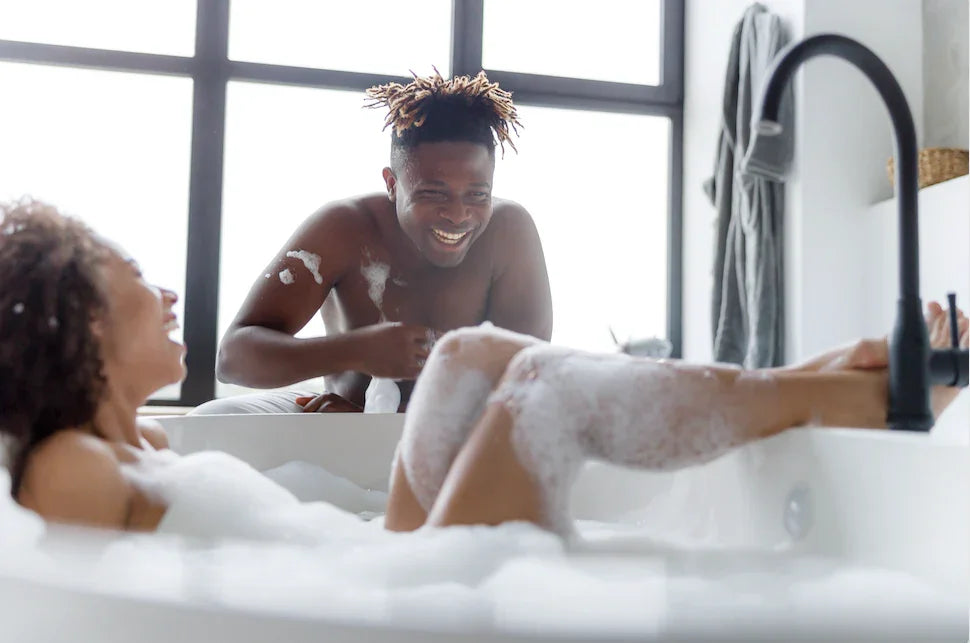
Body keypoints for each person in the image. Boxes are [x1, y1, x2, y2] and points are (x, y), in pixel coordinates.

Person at [2, 200, 966, 537]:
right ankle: (865, 392)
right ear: (72, 321)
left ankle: (818, 375)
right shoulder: (66, 468)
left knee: (475, 356)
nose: (166, 293)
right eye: (133, 280)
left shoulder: (150, 441)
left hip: (384, 560)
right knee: (543, 395)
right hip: (391, 597)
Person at [195, 70, 552, 415]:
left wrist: (391, 416)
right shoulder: (344, 227)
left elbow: (526, 380)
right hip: (338, 422)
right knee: (212, 417)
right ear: (392, 184)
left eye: (477, 194)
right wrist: (355, 350)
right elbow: (233, 359)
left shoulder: (509, 231)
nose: (458, 215)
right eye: (433, 193)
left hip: (458, 438)